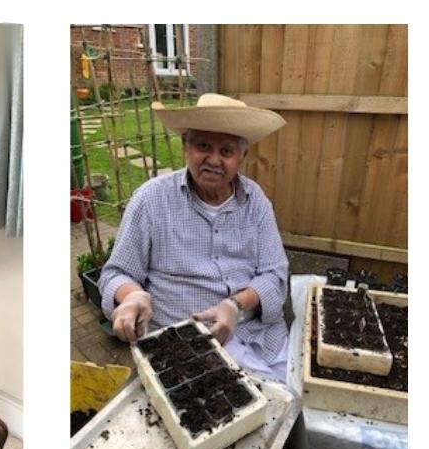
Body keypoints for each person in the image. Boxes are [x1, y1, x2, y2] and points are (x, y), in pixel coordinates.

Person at [99, 93, 290, 382]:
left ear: (242, 156)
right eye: (203, 146)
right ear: (185, 146)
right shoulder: (151, 200)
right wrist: (133, 296)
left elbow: (275, 274)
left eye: (226, 151)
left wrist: (234, 305)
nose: (214, 160)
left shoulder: (256, 201)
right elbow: (116, 272)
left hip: (261, 335)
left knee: (294, 401)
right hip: (185, 346)